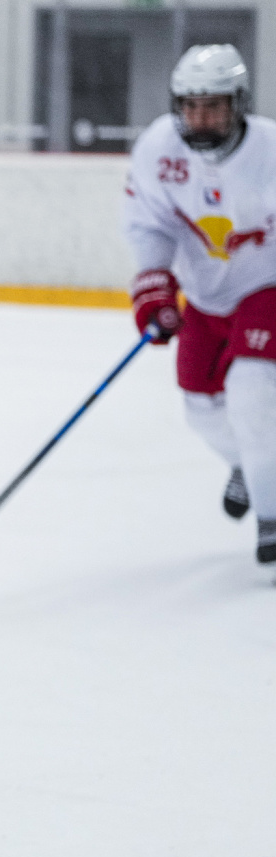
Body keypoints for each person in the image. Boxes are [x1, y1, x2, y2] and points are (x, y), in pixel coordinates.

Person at [124, 43, 276, 570]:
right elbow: (150, 224)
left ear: (239, 104)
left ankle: (271, 515)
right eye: (190, 106)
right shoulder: (158, 149)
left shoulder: (271, 152)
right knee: (201, 408)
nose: (201, 118)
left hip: (266, 287)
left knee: (252, 392)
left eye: (213, 106)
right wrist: (154, 286)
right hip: (205, 297)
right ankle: (249, 467)